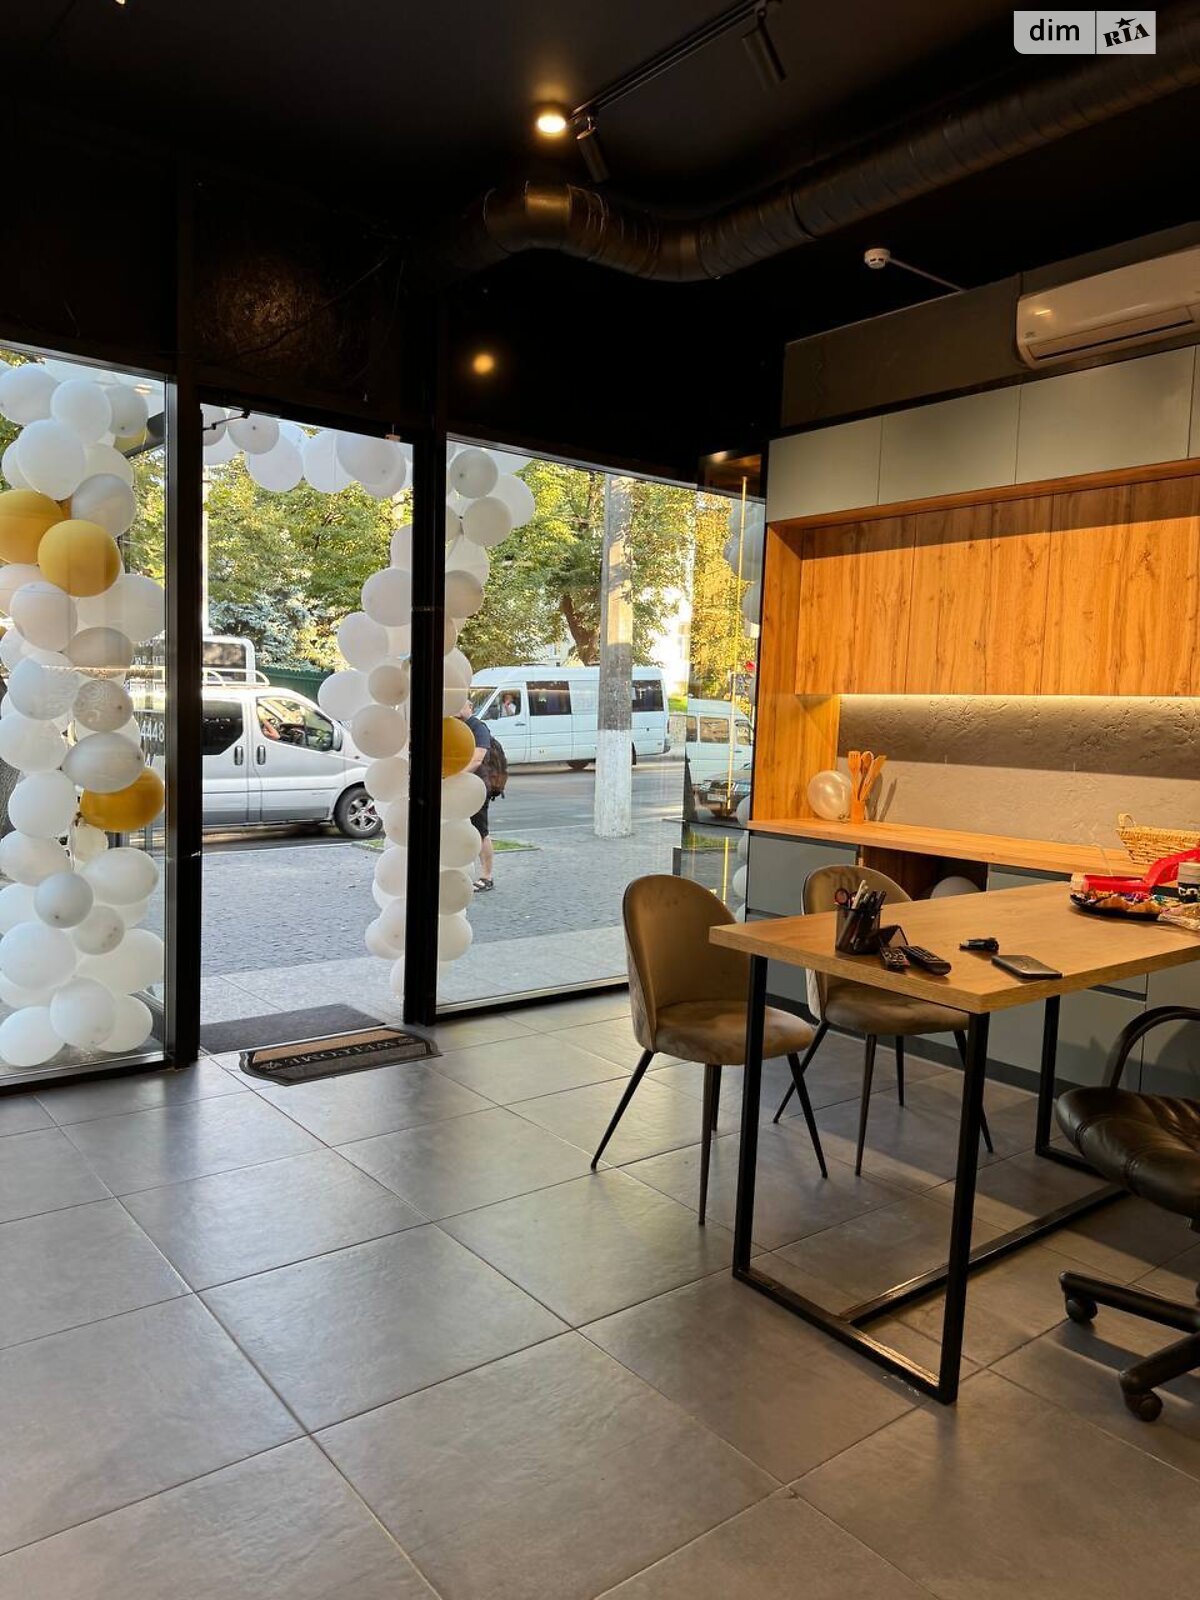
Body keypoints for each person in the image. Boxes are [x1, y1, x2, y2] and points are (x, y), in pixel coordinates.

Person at [459, 700, 495, 892]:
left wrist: (456, 776)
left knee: (480, 832)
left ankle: (487, 877)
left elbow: (477, 759)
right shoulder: (453, 726)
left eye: (461, 705)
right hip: (456, 787)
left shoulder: (478, 727)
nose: (456, 708)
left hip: (476, 787)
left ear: (471, 707)